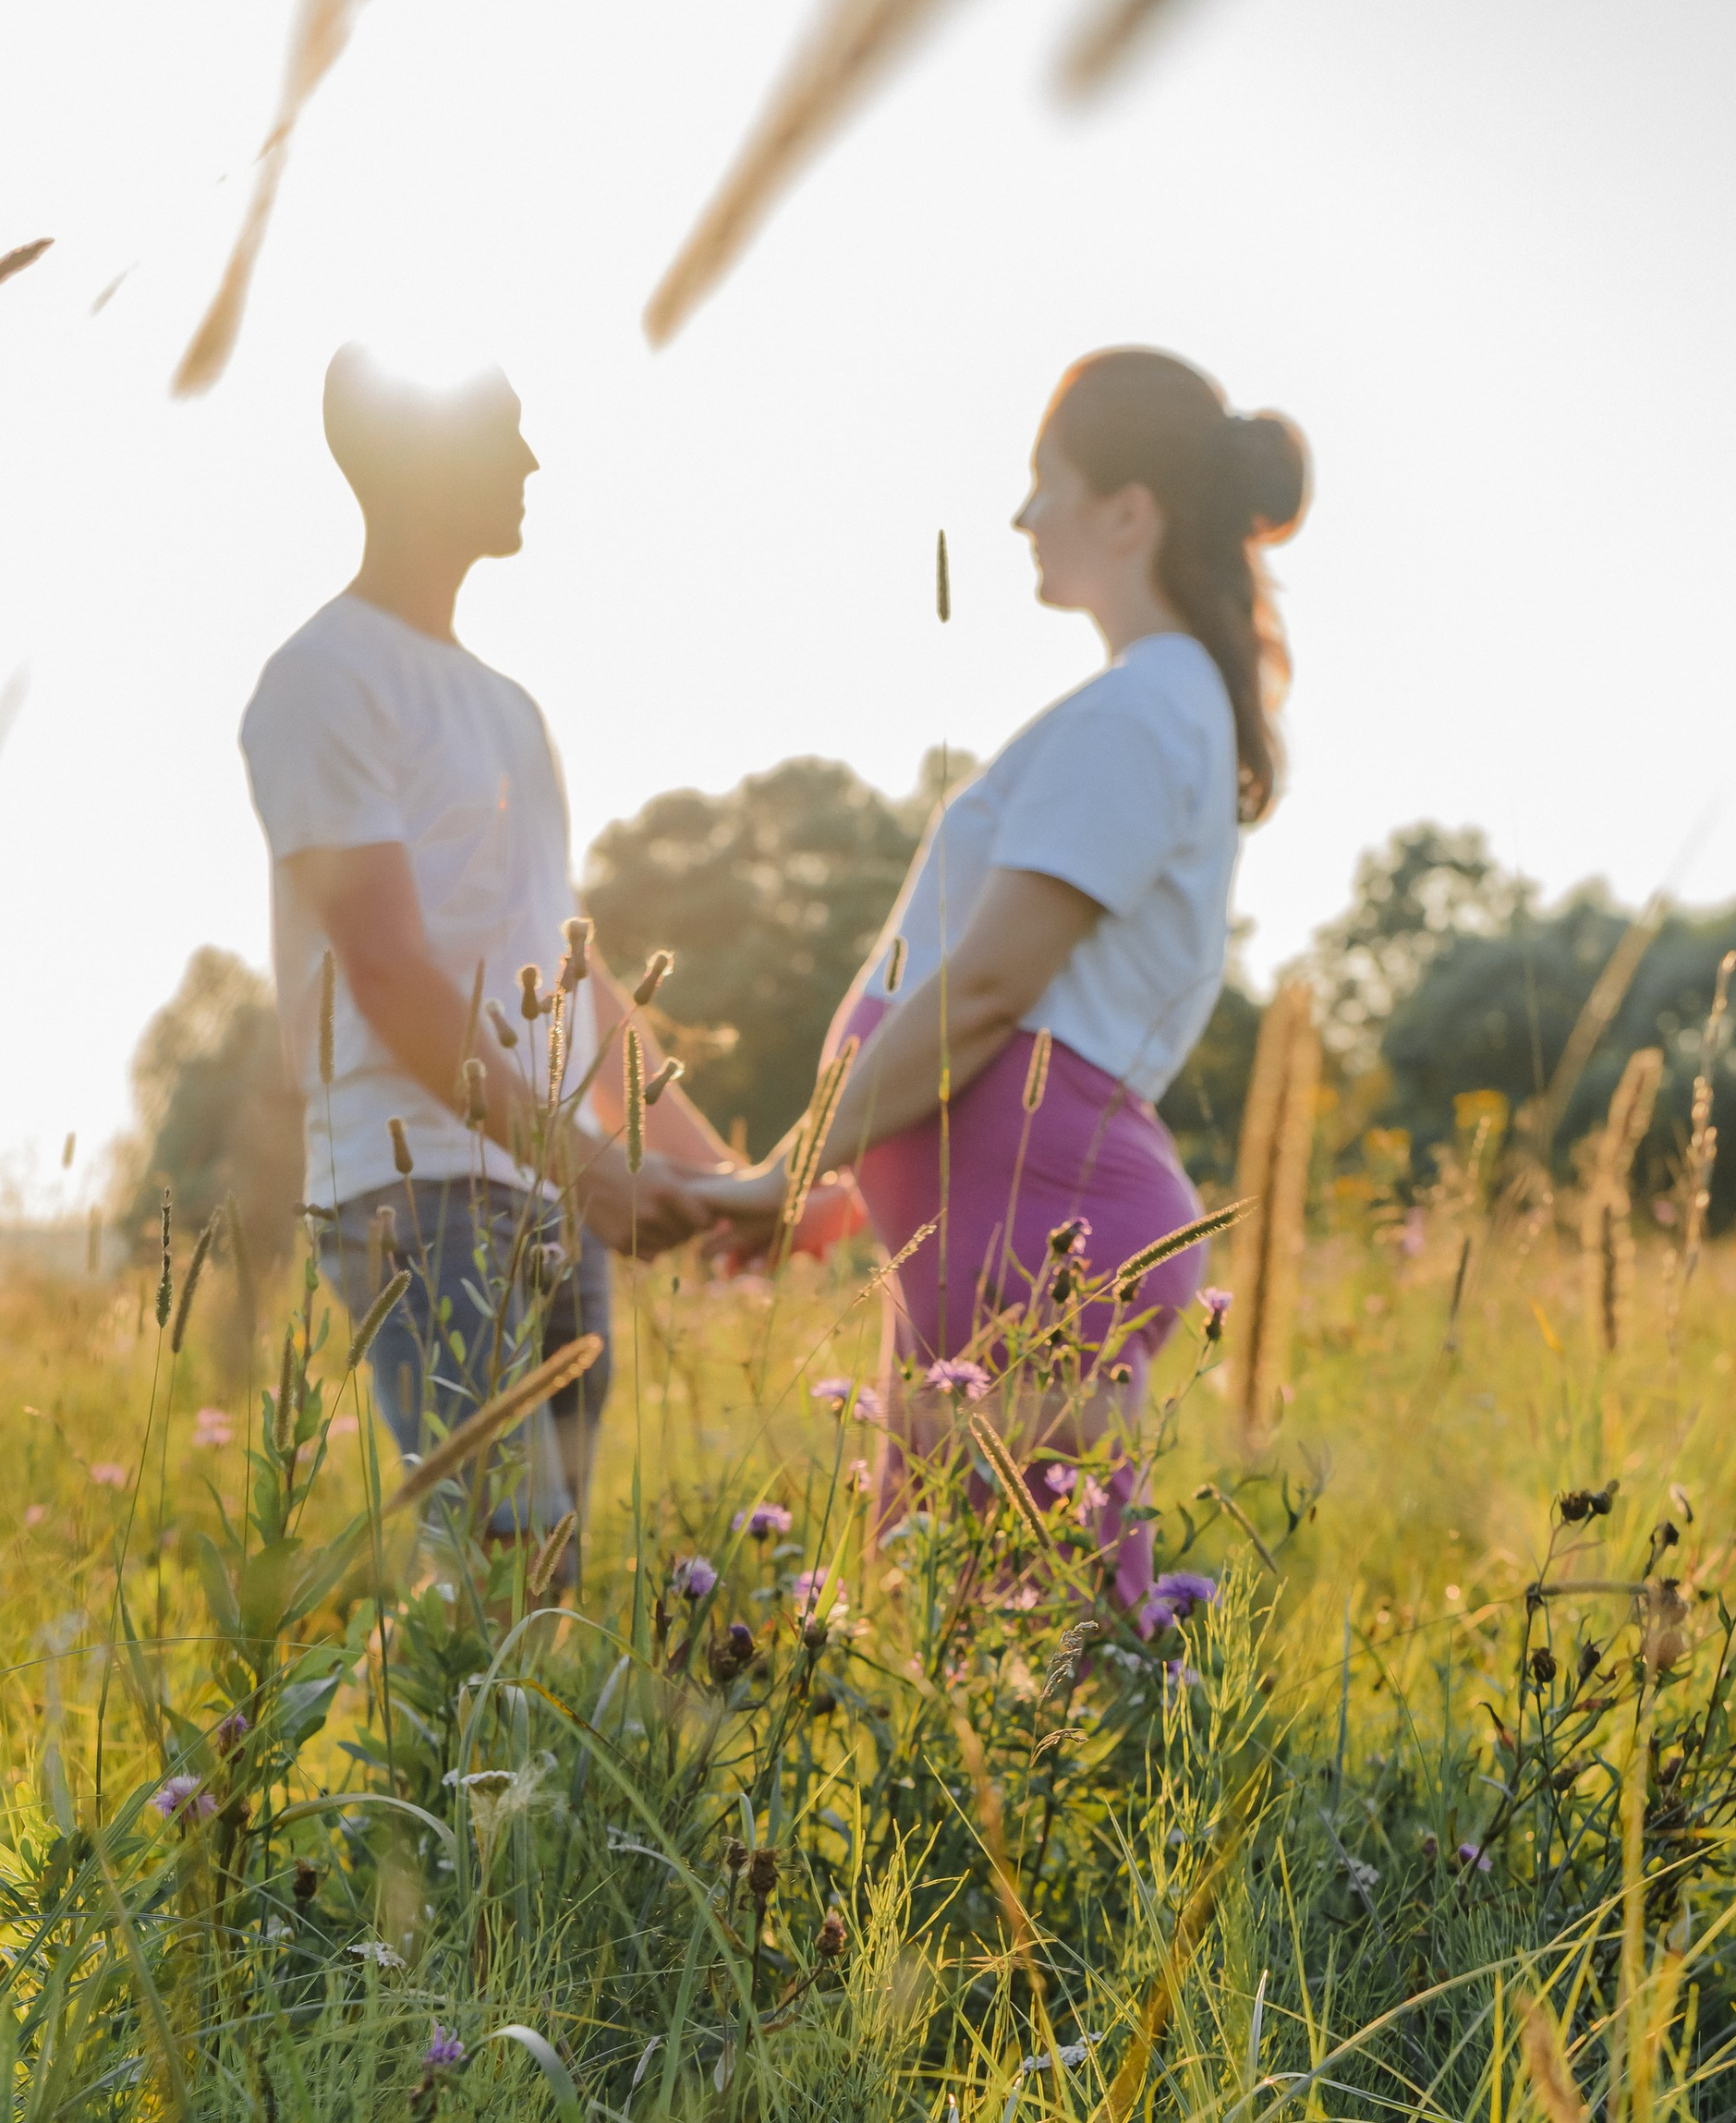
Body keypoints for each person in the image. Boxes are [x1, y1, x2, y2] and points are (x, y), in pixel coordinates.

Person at [710, 347, 1308, 1634]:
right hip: (1015, 1221)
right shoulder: (1154, 706)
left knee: (1036, 1647)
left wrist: (782, 1174)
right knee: (978, 1632)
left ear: (1129, 512)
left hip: (1041, 1229)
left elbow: (987, 993)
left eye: (1048, 482)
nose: (1023, 515)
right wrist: (847, 1189)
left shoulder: (1139, 713)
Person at [239, 350, 734, 1541]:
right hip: (418, 1191)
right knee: (499, 1564)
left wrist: (715, 1175)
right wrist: (594, 1171)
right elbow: (387, 972)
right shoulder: (321, 681)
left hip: (545, 1181)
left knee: (544, 1570)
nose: (530, 460)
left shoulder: (511, 707)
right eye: (504, 433)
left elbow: (574, 972)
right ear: (420, 459)